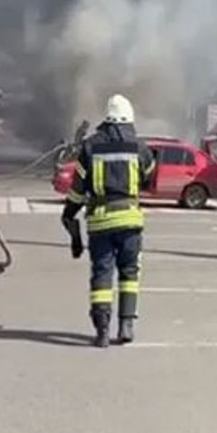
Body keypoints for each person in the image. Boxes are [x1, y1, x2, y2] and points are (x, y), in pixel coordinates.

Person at [69, 94, 156, 348]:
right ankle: (127, 324)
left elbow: (77, 191)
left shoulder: (89, 147)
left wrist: (69, 214)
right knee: (129, 273)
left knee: (102, 274)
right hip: (130, 220)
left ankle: (103, 330)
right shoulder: (139, 147)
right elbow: (149, 178)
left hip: (100, 223)